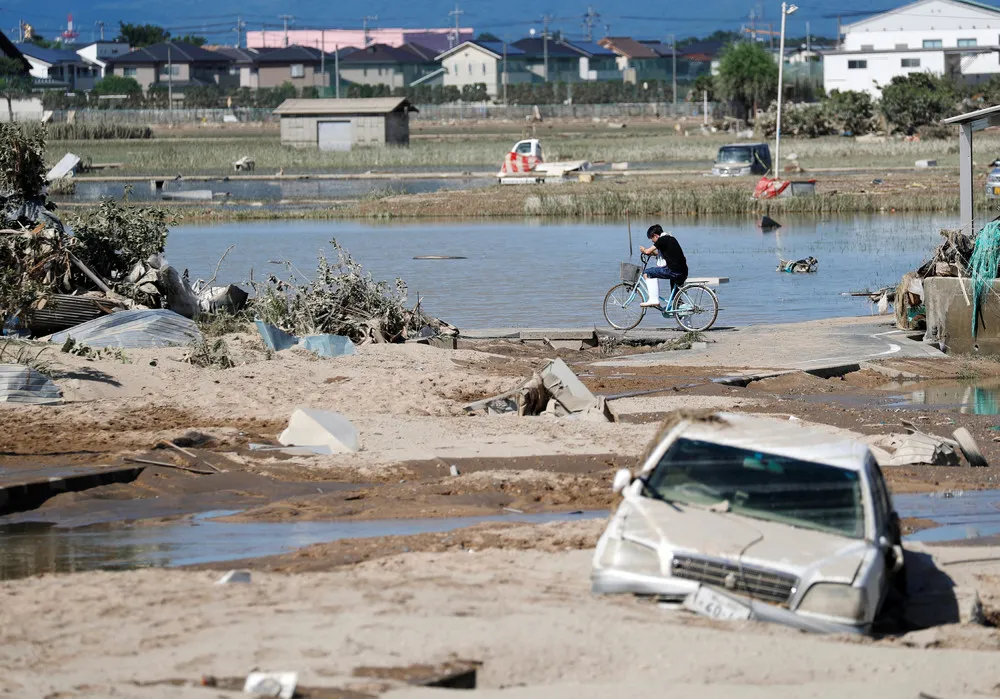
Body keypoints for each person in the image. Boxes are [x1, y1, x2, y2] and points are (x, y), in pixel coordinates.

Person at [638, 225, 688, 308]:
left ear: (655, 235)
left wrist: (643, 250)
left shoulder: (661, 240)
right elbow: (662, 253)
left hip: (673, 271)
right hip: (682, 271)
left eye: (651, 238)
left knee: (647, 273)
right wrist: (652, 253)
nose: (652, 241)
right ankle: (681, 309)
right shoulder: (670, 238)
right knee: (676, 299)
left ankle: (654, 299)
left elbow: (647, 251)